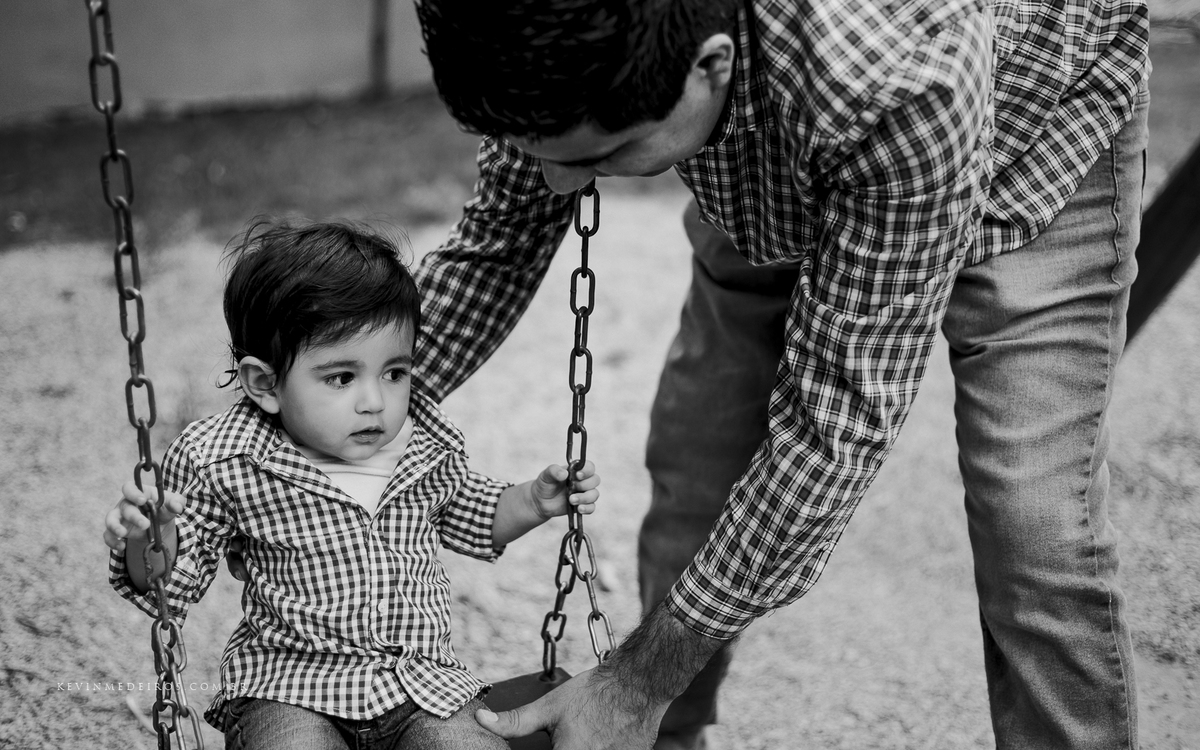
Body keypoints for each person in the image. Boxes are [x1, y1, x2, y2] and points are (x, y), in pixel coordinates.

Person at [410, 0, 1151, 748]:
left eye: (599, 156)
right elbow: (493, 248)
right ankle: (649, 734)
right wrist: (310, 424)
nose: (557, 186)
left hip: (1031, 136)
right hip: (767, 160)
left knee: (1035, 531)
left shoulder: (895, 72)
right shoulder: (569, 32)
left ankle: (635, 699)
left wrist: (639, 677)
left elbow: (835, 424)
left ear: (709, 65)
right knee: (696, 467)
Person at [101, 219, 601, 749]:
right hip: (289, 687)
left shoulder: (423, 442)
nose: (375, 402)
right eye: (341, 378)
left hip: (420, 686)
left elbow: (475, 513)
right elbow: (170, 586)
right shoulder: (223, 459)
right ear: (265, 384)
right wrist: (147, 539)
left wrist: (532, 500)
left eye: (394, 373)